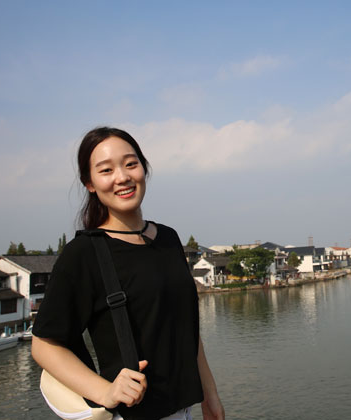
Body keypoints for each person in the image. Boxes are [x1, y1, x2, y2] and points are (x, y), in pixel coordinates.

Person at [32, 127, 224, 420]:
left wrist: (209, 396)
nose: (122, 177)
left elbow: (188, 328)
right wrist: (104, 392)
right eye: (106, 170)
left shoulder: (168, 239)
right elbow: (44, 345)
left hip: (185, 410)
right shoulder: (83, 253)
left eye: (130, 164)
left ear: (143, 169)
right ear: (90, 183)